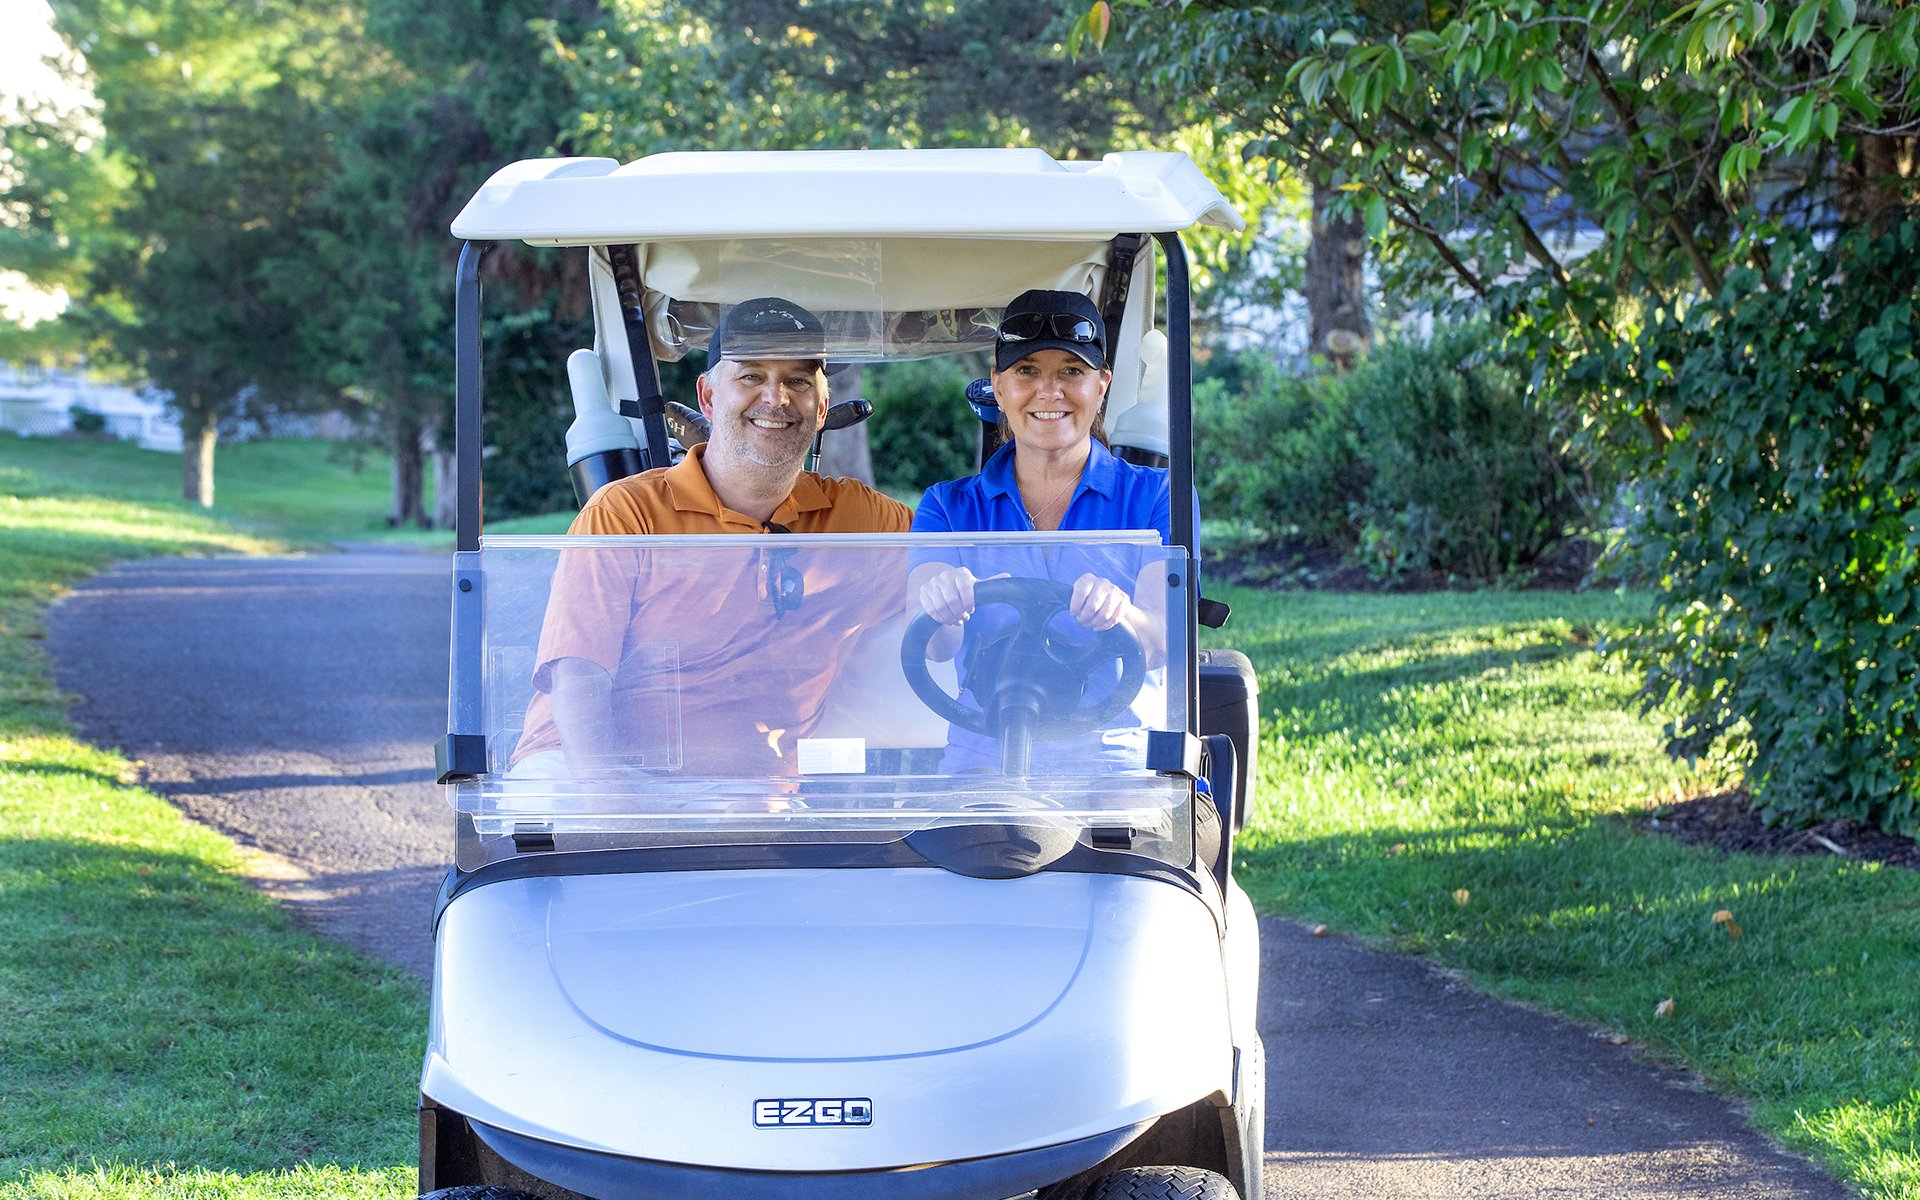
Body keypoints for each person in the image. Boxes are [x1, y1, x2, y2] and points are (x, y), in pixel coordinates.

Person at [511, 297, 911, 781]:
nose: (776, 398)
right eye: (751, 376)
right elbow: (578, 674)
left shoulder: (861, 518)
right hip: (592, 769)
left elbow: (963, 561)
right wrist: (609, 799)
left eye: (799, 381)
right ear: (708, 396)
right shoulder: (625, 512)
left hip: (753, 791)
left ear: (822, 406)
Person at [909, 289, 1221, 862]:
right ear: (998, 386)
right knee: (968, 868)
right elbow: (932, 644)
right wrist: (942, 603)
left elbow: (1159, 641)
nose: (1048, 392)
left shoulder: (1158, 496)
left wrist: (1121, 612)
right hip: (984, 762)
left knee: (1137, 872)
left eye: (1071, 372)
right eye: (1027, 371)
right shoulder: (948, 505)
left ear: (1102, 385)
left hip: (1118, 764)